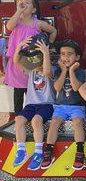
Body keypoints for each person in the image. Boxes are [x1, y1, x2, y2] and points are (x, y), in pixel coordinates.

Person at [4, 0, 57, 113]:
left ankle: (32, 115)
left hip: (32, 62)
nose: (23, 4)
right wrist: (18, 11)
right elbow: (9, 27)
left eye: (27, 2)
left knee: (32, 89)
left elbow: (53, 31)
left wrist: (49, 45)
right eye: (20, 2)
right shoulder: (16, 21)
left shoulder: (37, 23)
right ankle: (18, 117)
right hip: (17, 61)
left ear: (33, 9)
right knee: (18, 91)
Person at [41, 39, 86, 170]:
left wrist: (71, 71)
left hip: (77, 106)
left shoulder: (80, 71)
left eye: (70, 54)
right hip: (60, 106)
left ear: (77, 57)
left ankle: (79, 150)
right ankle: (48, 150)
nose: (66, 57)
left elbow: (76, 87)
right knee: (54, 122)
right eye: (63, 54)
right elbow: (57, 87)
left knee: (77, 122)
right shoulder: (57, 71)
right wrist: (63, 71)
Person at [12, 34, 55, 170]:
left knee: (36, 121)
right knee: (18, 120)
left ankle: (38, 152)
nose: (36, 60)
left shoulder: (51, 69)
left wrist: (46, 53)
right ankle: (21, 150)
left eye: (39, 56)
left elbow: (47, 71)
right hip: (31, 104)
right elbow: (16, 61)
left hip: (47, 104)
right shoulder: (30, 70)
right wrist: (20, 45)